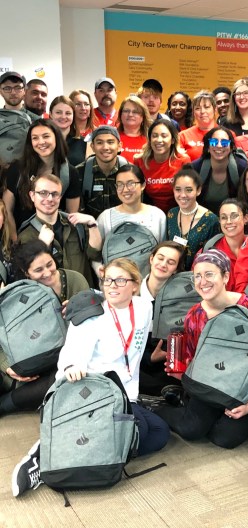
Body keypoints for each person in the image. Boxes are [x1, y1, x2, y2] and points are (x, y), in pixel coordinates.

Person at [12, 257, 171, 498]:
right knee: (141, 431)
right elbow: (70, 355)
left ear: (135, 285)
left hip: (128, 390)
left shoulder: (143, 308)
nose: (112, 286)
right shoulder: (91, 316)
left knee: (159, 435)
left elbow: (134, 349)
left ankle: (84, 448)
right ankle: (45, 455)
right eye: (108, 280)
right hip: (97, 393)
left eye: (120, 280)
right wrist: (72, 366)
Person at [153, 249, 248, 448]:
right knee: (191, 430)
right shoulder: (194, 314)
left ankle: (198, 412)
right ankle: (155, 408)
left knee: (225, 438)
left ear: (225, 276)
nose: (203, 281)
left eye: (209, 274)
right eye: (197, 276)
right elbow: (192, 358)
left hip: (243, 387)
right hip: (209, 385)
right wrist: (181, 370)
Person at [0, 240, 90, 419]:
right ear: (27, 273)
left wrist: (78, 311)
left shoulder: (75, 279)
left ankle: (6, 405)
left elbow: (93, 324)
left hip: (68, 356)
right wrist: (7, 367)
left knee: (67, 376)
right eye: (38, 270)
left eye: (50, 264)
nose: (48, 272)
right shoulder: (19, 295)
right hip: (31, 365)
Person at [4, 118, 82, 240]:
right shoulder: (17, 168)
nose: (41, 142)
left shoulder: (70, 173)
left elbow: (71, 215)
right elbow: (7, 209)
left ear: (56, 137)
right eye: (35, 138)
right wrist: (15, 241)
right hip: (21, 239)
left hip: (55, 242)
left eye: (46, 136)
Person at [17, 173, 101, 280]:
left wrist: (92, 223)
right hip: (49, 295)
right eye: (43, 193)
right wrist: (41, 245)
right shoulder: (26, 235)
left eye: (55, 194)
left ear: (60, 197)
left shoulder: (76, 225)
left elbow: (95, 254)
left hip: (82, 293)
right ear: (32, 196)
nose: (50, 198)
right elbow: (27, 276)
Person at [138, 241, 186, 396]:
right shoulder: (131, 292)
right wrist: (150, 358)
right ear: (151, 259)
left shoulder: (183, 299)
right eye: (160, 258)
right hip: (136, 359)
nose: (163, 264)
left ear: (176, 270)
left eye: (171, 262)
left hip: (168, 363)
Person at [96, 164, 166, 244]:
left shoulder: (157, 215)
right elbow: (96, 252)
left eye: (131, 184)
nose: (125, 189)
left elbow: (164, 249)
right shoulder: (105, 217)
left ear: (143, 185)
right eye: (120, 184)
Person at [167, 167, 220, 269]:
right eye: (178, 190)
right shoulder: (171, 214)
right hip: (172, 273)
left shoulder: (210, 220)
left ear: (198, 190)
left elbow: (213, 255)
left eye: (189, 190)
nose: (183, 195)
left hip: (198, 276)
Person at [134, 119, 190, 213]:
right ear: (150, 139)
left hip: (178, 211)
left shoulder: (183, 161)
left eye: (164, 136)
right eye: (154, 136)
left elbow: (188, 194)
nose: (159, 140)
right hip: (148, 212)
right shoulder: (140, 161)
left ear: (172, 140)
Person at [190, 126, 248, 215]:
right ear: (208, 147)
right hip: (202, 217)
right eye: (214, 142)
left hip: (233, 217)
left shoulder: (241, 167)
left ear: (231, 147)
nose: (219, 146)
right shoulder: (196, 168)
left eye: (224, 142)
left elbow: (246, 200)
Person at [76, 125, 129, 219]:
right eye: (99, 142)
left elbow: (136, 209)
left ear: (119, 146)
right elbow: (76, 213)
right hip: (89, 229)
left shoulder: (130, 172)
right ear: (92, 146)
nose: (105, 147)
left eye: (110, 142)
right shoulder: (79, 172)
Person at [205, 198, 248, 291]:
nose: (228, 221)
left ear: (246, 218)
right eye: (224, 217)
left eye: (234, 216)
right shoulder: (211, 250)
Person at [178, 91, 217, 162]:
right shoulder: (183, 136)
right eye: (197, 108)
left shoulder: (227, 134)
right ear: (193, 112)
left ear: (215, 109)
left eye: (206, 107)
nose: (202, 111)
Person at [49, 95, 86, 167]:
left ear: (73, 115)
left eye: (68, 113)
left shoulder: (85, 143)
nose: (63, 117)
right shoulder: (43, 141)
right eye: (58, 112)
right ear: (50, 114)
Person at [117, 95, 152, 164]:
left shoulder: (151, 139)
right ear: (120, 115)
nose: (130, 114)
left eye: (135, 112)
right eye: (126, 111)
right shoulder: (112, 137)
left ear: (143, 116)